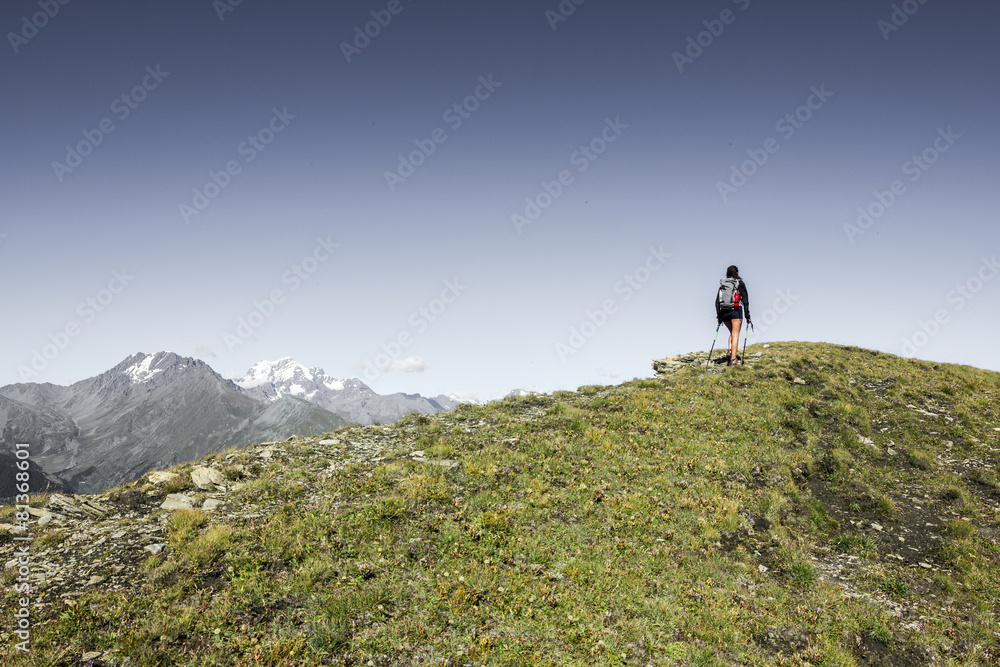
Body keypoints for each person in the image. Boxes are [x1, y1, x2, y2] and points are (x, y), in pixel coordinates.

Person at [716, 265, 751, 366]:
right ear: (737, 272)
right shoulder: (739, 283)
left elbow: (717, 301)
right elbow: (745, 300)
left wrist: (719, 316)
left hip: (724, 312)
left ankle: (730, 349)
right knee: (735, 334)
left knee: (732, 332)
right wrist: (748, 316)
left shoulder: (723, 284)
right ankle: (733, 359)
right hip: (736, 311)